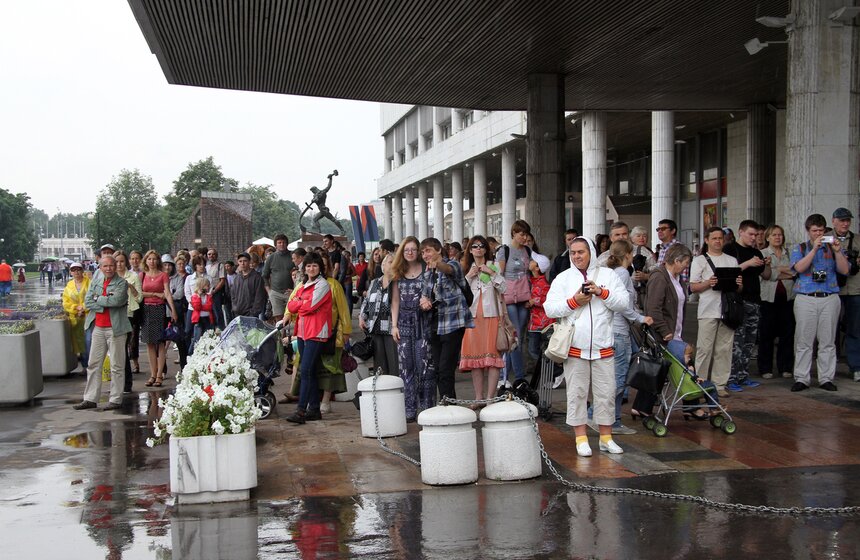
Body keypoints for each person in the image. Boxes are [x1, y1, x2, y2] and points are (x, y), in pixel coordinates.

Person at [545, 237, 629, 457]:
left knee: (606, 394)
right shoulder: (563, 278)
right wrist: (573, 301)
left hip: (603, 346)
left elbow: (624, 303)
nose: (577, 256)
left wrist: (601, 292)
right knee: (577, 393)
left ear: (590, 252)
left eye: (581, 252)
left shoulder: (608, 275)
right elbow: (549, 309)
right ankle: (581, 439)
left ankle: (606, 438)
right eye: (573, 253)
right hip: (575, 347)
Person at [790, 213, 851, 392]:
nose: (818, 234)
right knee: (804, 340)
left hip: (829, 297)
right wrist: (814, 249)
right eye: (814, 231)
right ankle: (802, 377)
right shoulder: (800, 248)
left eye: (821, 231)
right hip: (806, 298)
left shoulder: (833, 248)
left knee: (828, 340)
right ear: (808, 231)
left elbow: (845, 270)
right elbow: (799, 269)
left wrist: (838, 251)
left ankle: (826, 378)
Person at [633, 243, 694, 415]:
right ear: (676, 260)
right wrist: (664, 330)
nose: (686, 267)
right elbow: (653, 308)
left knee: (660, 369)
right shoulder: (660, 276)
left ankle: (640, 407)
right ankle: (693, 405)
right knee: (685, 363)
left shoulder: (676, 278)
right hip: (665, 333)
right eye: (685, 263)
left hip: (674, 330)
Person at [601, 240, 653, 434]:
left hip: (616, 330)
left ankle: (611, 419)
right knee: (619, 378)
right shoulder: (622, 273)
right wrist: (640, 318)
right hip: (619, 331)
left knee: (616, 377)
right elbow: (621, 304)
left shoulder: (613, 273)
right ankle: (603, 416)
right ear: (629, 255)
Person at [73, 255, 131, 410]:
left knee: (117, 365)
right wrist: (103, 301)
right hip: (98, 327)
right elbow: (88, 302)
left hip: (116, 328)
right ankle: (90, 398)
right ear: (100, 268)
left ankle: (115, 399)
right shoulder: (96, 282)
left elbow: (117, 301)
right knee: (93, 364)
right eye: (105, 266)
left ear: (116, 266)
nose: (109, 268)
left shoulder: (122, 283)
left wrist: (98, 298)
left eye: (111, 265)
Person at [689, 227, 742, 397]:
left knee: (724, 348)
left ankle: (720, 384)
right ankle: (701, 382)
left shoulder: (732, 260)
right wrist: (708, 283)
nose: (718, 241)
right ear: (707, 240)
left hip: (727, 309)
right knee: (704, 348)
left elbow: (739, 288)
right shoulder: (699, 261)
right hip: (708, 309)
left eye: (720, 238)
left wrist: (739, 283)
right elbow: (693, 287)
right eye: (714, 238)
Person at [419, 237, 473, 402]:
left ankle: (448, 406)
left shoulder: (453, 264)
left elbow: (449, 269)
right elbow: (424, 295)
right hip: (434, 325)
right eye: (422, 252)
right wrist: (424, 302)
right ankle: (447, 403)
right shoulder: (428, 273)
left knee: (445, 369)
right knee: (438, 370)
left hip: (453, 323)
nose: (424, 255)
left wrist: (438, 264)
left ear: (438, 250)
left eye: (427, 250)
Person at [285, 252, 332, 424]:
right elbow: (291, 305)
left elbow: (309, 307)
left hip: (316, 332)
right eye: (308, 265)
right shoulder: (305, 284)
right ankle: (313, 409)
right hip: (304, 331)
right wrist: (300, 304)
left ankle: (301, 410)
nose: (311, 268)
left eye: (314, 265)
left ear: (320, 268)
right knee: (309, 371)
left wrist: (300, 303)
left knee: (305, 371)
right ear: (304, 268)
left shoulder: (323, 285)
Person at [391, 236, 434, 421]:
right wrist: (394, 325)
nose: (410, 252)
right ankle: (409, 408)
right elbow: (395, 300)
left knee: (425, 365)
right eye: (406, 249)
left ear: (418, 251)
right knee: (406, 367)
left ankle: (427, 407)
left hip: (424, 322)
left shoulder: (427, 270)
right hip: (403, 322)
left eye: (413, 249)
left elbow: (435, 292)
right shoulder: (398, 271)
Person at [458, 235, 505, 403]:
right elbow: (458, 292)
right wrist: (468, 277)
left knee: (493, 357)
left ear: (486, 249)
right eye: (475, 246)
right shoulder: (465, 268)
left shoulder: (493, 266)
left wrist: (491, 273)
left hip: (491, 315)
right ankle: (478, 398)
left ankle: (490, 398)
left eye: (482, 246)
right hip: (471, 317)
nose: (478, 249)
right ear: (470, 250)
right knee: (475, 358)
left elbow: (504, 287)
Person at [723, 220, 766, 391]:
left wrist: (765, 264)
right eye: (750, 234)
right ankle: (731, 377)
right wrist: (748, 264)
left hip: (755, 300)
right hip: (738, 301)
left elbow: (766, 274)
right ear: (741, 232)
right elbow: (728, 272)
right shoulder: (730, 249)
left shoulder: (757, 252)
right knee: (737, 341)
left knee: (749, 341)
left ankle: (743, 375)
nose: (754, 238)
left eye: (756, 235)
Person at [496, 220, 533, 382]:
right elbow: (498, 274)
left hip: (524, 296)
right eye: (521, 234)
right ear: (514, 233)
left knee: (517, 337)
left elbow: (530, 273)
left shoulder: (528, 251)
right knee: (515, 334)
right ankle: (519, 377)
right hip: (509, 298)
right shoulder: (504, 250)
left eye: (526, 234)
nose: (524, 237)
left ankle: (505, 376)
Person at [758, 225, 795, 379]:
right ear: (767, 237)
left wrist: (777, 269)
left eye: (780, 234)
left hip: (787, 298)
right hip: (768, 298)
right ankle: (765, 368)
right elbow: (767, 275)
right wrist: (781, 272)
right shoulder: (762, 254)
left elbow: (795, 272)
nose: (777, 237)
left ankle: (785, 367)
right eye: (774, 235)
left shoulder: (790, 253)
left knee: (787, 333)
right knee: (767, 334)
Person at [140, 250, 177, 388]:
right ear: (146, 261)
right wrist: (155, 293)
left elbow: (167, 293)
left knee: (160, 343)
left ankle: (160, 374)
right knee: (149, 343)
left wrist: (173, 310)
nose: (152, 261)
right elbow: (139, 293)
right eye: (149, 259)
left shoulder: (163, 275)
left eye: (155, 259)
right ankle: (152, 374)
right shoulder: (142, 275)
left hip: (159, 310)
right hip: (146, 310)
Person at [831, 208, 860, 382]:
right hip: (832, 288)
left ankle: (855, 366)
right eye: (842, 220)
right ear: (834, 220)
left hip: (855, 289)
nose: (845, 223)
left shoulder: (857, 239)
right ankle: (828, 368)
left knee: (854, 329)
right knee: (829, 331)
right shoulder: (826, 237)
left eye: (848, 220)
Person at [358, 254, 398, 376]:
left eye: (395, 262)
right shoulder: (375, 282)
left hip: (391, 329)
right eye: (390, 262)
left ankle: (396, 391)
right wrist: (361, 317)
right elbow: (366, 301)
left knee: (394, 363)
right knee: (380, 365)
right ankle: (381, 391)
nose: (393, 264)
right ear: (383, 265)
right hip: (375, 327)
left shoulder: (398, 282)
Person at [113, 251, 142, 393]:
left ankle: (126, 383)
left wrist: (130, 286)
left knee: (123, 348)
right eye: (116, 262)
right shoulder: (109, 277)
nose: (119, 264)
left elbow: (139, 298)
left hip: (128, 314)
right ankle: (118, 382)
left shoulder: (133, 276)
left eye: (121, 261)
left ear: (126, 262)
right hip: (112, 315)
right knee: (115, 350)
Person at [162, 253, 188, 375]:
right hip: (162, 312)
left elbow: (179, 294)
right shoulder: (159, 277)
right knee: (161, 342)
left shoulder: (178, 278)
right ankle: (162, 368)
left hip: (175, 312)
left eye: (169, 265)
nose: (167, 268)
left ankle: (184, 367)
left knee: (180, 341)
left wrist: (166, 296)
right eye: (165, 265)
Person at [61, 262, 90, 369]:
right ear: (70, 272)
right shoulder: (69, 286)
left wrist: (83, 307)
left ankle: (91, 366)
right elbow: (66, 302)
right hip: (76, 319)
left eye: (78, 269)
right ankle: (84, 367)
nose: (76, 272)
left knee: (89, 342)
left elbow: (93, 298)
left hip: (89, 316)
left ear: (82, 270)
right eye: (74, 270)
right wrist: (75, 308)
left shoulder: (89, 283)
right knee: (80, 343)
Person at [262, 233, 296, 324]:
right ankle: (281, 337)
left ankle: (290, 337)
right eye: (279, 242)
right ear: (275, 244)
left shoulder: (293, 256)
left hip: (291, 292)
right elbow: (265, 275)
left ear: (287, 243)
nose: (282, 244)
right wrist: (269, 291)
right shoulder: (271, 258)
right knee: (278, 318)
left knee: (292, 316)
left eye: (284, 242)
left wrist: (295, 290)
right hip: (275, 292)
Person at [230, 252, 268, 318]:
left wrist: (253, 312)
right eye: (240, 261)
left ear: (249, 261)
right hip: (238, 313)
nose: (242, 263)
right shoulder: (237, 278)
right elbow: (233, 295)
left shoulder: (257, 277)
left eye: (245, 261)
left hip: (252, 314)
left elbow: (259, 296)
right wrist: (235, 308)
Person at [205, 248, 227, 329]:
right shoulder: (206, 266)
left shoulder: (220, 266)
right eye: (209, 254)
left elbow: (222, 280)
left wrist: (214, 291)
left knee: (217, 312)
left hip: (216, 292)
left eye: (213, 254)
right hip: (207, 293)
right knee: (210, 313)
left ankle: (221, 329)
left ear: (216, 255)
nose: (211, 256)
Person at [190, 277, 214, 345]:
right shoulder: (195, 296)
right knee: (197, 338)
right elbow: (197, 307)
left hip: (207, 318)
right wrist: (199, 297)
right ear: (202, 286)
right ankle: (191, 353)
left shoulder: (208, 296)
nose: (209, 287)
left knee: (208, 337)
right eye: (207, 286)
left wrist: (201, 307)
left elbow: (209, 307)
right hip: (199, 319)